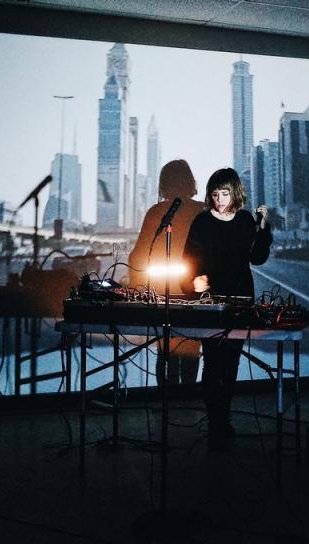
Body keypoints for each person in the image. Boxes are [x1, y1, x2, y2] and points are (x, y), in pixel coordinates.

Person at [181, 167, 272, 449]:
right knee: (212, 361)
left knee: (231, 362)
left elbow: (257, 259)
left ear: (235, 193)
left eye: (225, 193)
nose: (220, 199)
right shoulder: (202, 222)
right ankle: (216, 421)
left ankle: (223, 419)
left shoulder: (245, 221)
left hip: (241, 299)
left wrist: (264, 228)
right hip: (210, 301)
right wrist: (191, 282)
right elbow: (187, 261)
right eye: (216, 194)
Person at [128, 159, 205, 387]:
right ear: (190, 182)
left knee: (166, 353)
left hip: (162, 297)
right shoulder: (202, 211)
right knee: (191, 350)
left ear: (163, 184)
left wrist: (136, 288)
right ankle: (188, 400)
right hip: (196, 297)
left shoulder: (156, 212)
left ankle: (166, 405)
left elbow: (138, 255)